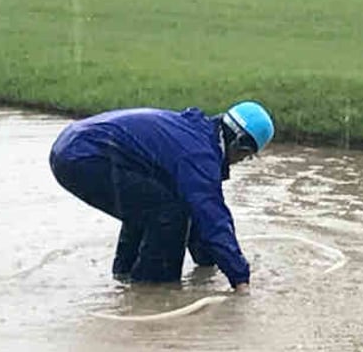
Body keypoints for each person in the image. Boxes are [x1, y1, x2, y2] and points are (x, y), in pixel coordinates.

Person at [48, 101, 275, 293]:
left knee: (154, 202)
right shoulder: (199, 155)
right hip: (82, 157)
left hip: (72, 145)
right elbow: (212, 218)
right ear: (241, 145)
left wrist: (207, 261)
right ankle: (152, 293)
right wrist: (240, 279)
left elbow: (198, 212)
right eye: (246, 157)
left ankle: (124, 276)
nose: (241, 162)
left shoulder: (197, 134)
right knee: (169, 214)